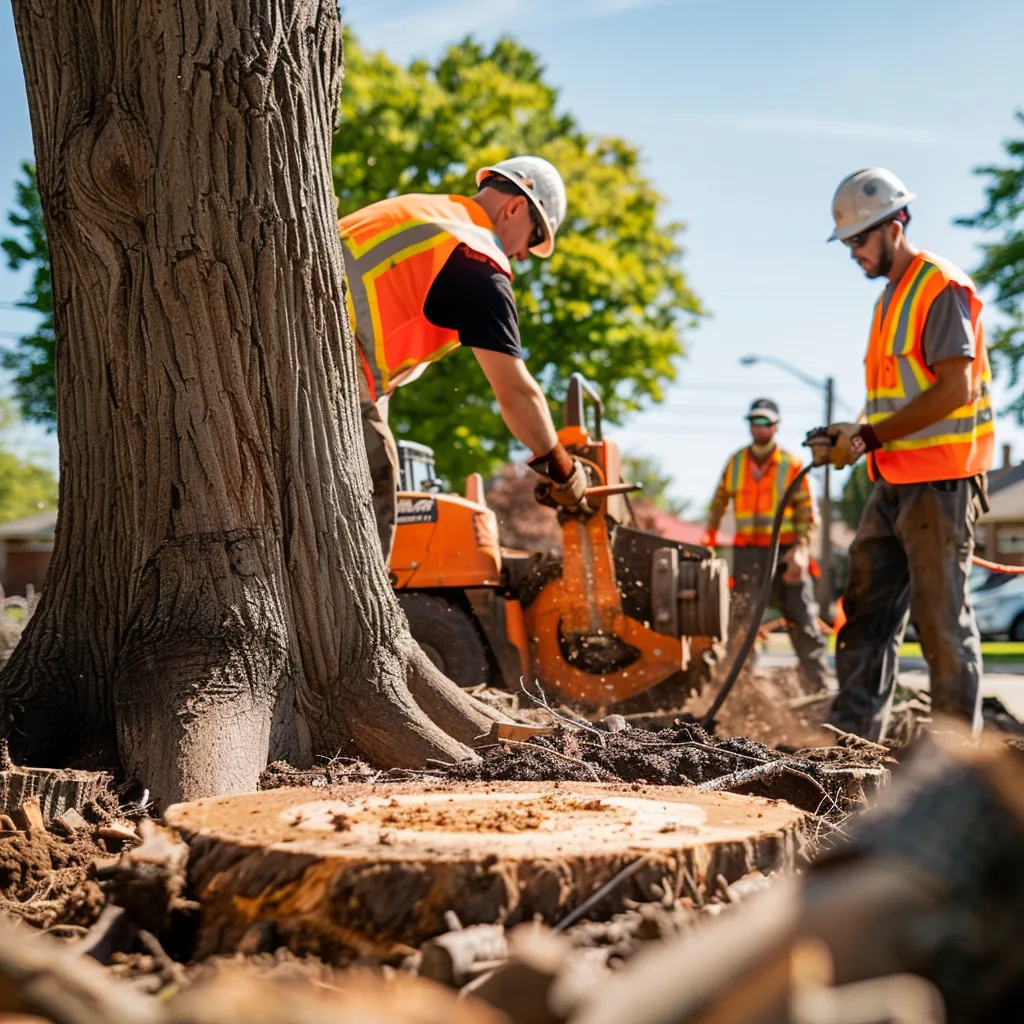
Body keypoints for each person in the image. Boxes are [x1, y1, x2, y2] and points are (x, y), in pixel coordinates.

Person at [338, 156, 587, 560]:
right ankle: (349, 619)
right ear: (515, 207)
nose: (524, 256)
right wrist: (562, 469)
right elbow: (516, 395)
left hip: (301, 335)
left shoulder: (429, 211)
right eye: (534, 236)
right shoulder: (476, 257)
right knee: (374, 477)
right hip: (328, 354)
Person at [822, 167, 994, 741]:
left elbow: (954, 390)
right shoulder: (889, 301)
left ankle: (952, 768)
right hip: (893, 481)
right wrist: (854, 432)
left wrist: (867, 437)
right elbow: (903, 399)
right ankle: (850, 746)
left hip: (941, 483)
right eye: (847, 242)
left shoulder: (940, 286)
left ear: (896, 224)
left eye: (860, 239)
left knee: (940, 625)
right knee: (864, 614)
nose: (853, 252)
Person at [703, 398, 829, 691]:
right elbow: (719, 502)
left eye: (765, 423)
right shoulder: (735, 462)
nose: (759, 428)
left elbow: (807, 511)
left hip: (785, 553)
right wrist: (709, 537)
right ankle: (738, 691)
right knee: (740, 625)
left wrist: (801, 549)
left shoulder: (790, 463)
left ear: (776, 426)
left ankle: (819, 690)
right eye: (754, 423)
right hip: (747, 553)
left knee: (803, 620)